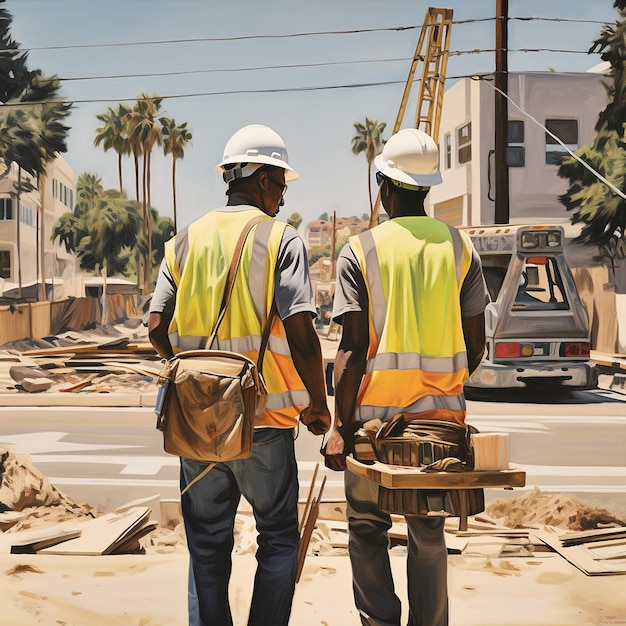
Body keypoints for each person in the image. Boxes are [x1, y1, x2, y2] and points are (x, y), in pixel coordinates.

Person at [148, 123, 332, 626]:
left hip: (195, 425)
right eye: (281, 184)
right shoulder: (280, 239)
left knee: (206, 547)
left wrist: (187, 375)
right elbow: (300, 330)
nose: (282, 196)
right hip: (264, 422)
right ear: (263, 178)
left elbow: (156, 326)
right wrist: (318, 403)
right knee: (276, 537)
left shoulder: (184, 241)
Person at [323, 128, 489, 626]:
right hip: (440, 428)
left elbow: (351, 350)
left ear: (385, 187)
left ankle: (378, 622)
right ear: (427, 188)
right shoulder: (460, 250)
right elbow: (474, 344)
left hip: (373, 428)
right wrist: (443, 385)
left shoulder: (361, 250)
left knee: (366, 530)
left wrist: (338, 425)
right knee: (428, 534)